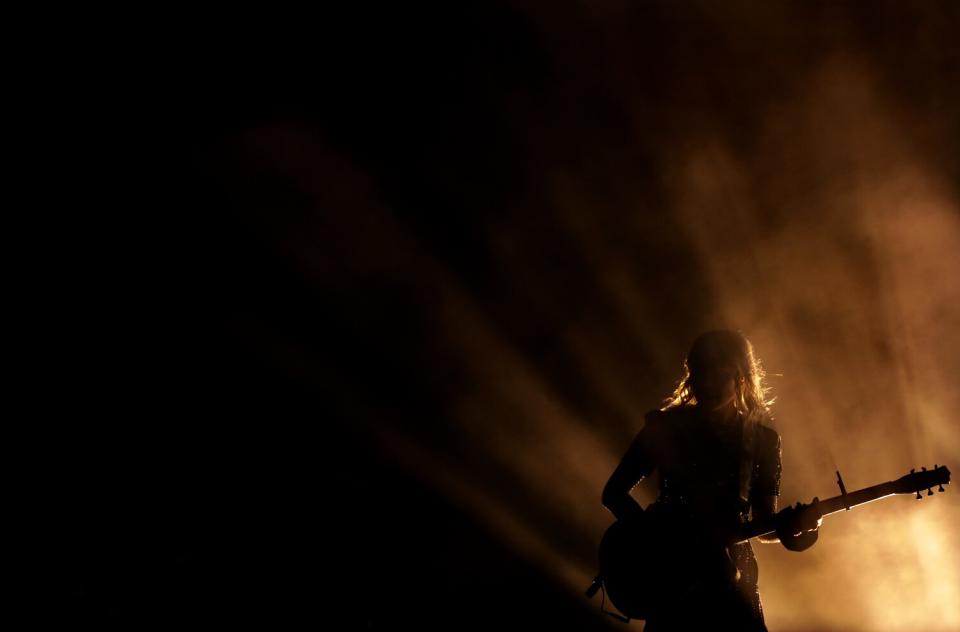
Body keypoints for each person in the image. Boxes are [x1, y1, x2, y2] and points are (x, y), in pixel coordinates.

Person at [601, 329, 821, 630]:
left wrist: (795, 528)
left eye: (720, 374)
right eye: (702, 373)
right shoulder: (665, 428)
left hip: (733, 586)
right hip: (673, 585)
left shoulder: (762, 441)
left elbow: (764, 524)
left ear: (740, 376)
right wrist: (657, 540)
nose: (709, 384)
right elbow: (613, 493)